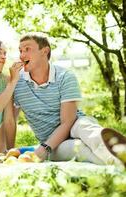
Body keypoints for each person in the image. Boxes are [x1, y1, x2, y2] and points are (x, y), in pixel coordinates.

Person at [13, 32, 124, 168]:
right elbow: (9, 120)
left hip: (75, 124)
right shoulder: (16, 82)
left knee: (87, 129)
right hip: (53, 143)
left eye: (27, 49)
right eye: (20, 51)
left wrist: (43, 150)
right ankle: (118, 166)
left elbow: (68, 122)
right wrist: (7, 151)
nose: (22, 55)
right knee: (80, 149)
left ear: (44, 51)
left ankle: (122, 153)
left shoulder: (65, 77)